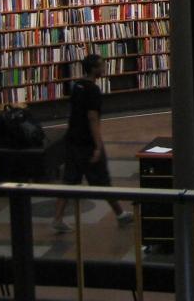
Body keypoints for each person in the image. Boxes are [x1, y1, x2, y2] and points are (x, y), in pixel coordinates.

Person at [51, 54, 133, 232]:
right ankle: (120, 215)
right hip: (87, 143)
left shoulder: (77, 86)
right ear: (94, 69)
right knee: (102, 179)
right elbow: (92, 117)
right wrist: (97, 145)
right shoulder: (93, 90)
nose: (104, 68)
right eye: (101, 66)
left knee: (69, 180)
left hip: (72, 139)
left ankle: (57, 219)